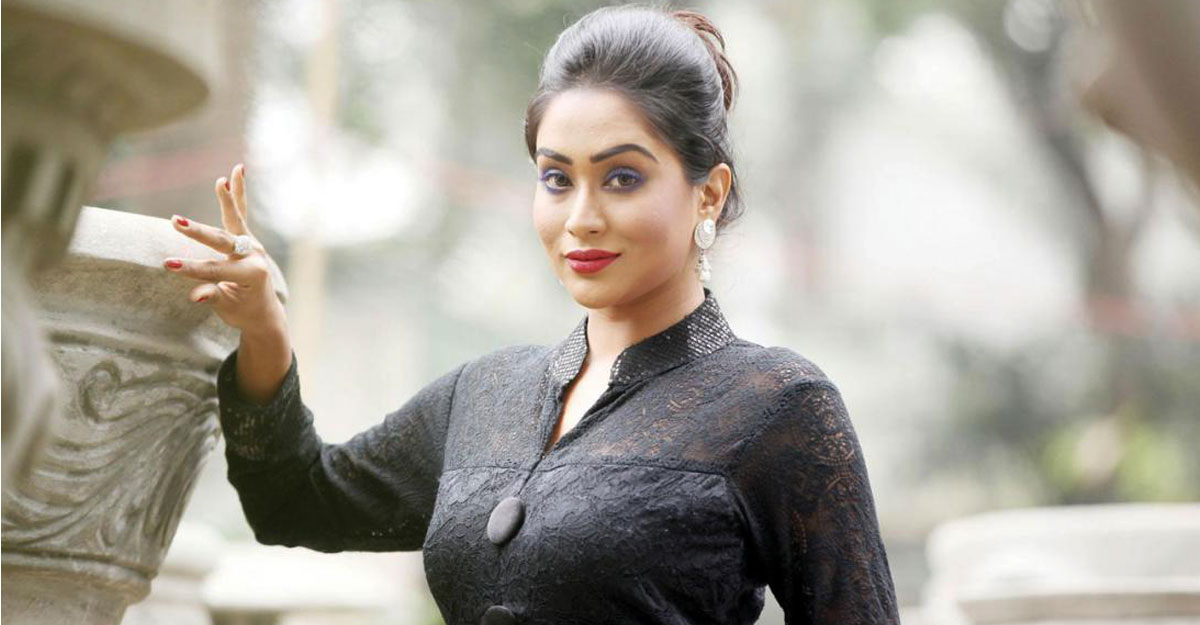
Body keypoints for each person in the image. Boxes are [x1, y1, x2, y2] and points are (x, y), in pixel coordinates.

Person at [163, 5, 900, 624]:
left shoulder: (777, 406)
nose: (581, 217)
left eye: (622, 177)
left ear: (708, 193)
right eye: (556, 178)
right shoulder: (484, 394)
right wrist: (263, 328)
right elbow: (295, 502)